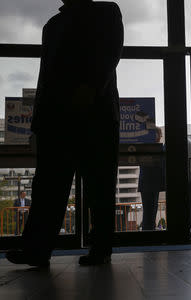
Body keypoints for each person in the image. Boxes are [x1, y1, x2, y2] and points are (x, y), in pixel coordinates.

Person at [6, 0, 124, 267]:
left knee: (95, 187)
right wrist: (39, 120)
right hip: (64, 117)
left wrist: (90, 89)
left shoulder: (99, 14)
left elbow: (109, 55)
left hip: (92, 113)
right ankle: (40, 249)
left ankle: (96, 248)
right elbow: (45, 75)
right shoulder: (55, 24)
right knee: (50, 187)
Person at [139, 127, 165, 231]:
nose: (161, 137)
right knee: (151, 209)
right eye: (159, 134)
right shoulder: (156, 149)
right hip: (151, 183)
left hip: (146, 183)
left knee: (149, 209)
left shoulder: (144, 148)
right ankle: (149, 230)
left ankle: (148, 230)